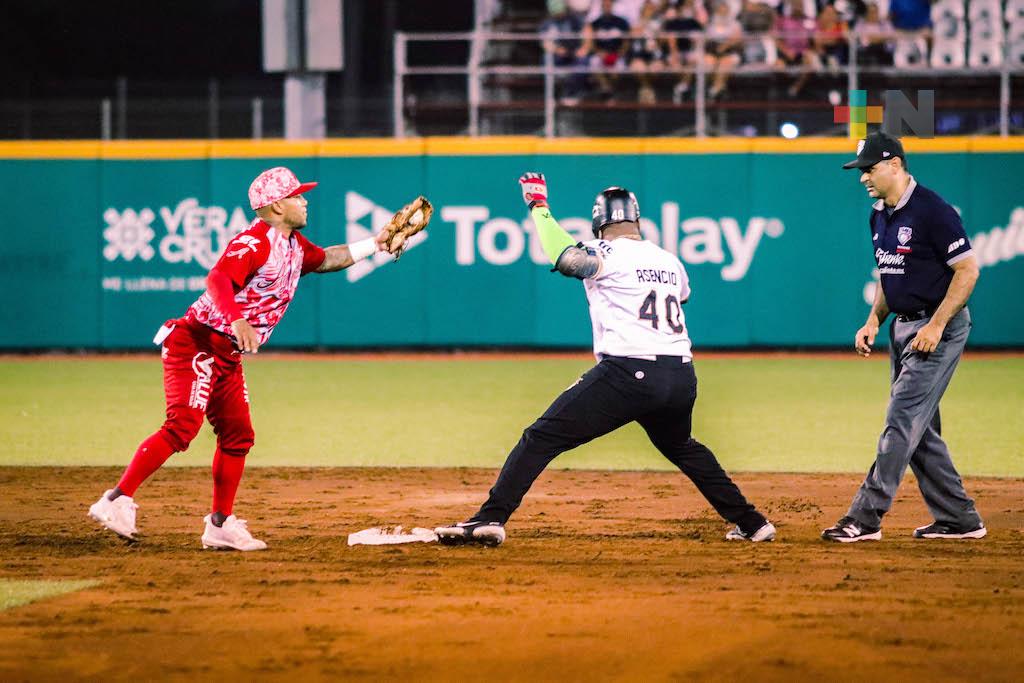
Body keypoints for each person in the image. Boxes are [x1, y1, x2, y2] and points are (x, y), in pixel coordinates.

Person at [434, 172, 777, 547]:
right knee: (682, 446)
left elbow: (568, 261)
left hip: (630, 372)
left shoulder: (607, 252)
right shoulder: (669, 259)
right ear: (637, 220)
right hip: (681, 374)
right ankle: (752, 523)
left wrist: (538, 207)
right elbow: (682, 297)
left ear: (599, 224)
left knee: (540, 437)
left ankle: (490, 518)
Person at [88, 167, 392, 551]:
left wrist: (377, 244)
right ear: (277, 205)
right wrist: (237, 318)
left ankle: (219, 524)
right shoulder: (254, 242)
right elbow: (216, 279)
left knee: (238, 436)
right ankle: (116, 500)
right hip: (196, 340)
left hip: (226, 352)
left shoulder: (293, 245)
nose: (305, 200)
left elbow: (329, 259)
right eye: (297, 196)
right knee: (182, 426)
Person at [822, 132, 986, 543]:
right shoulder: (880, 213)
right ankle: (959, 518)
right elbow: (889, 274)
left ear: (895, 164)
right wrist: (873, 320)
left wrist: (936, 326)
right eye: (860, 171)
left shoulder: (932, 210)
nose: (863, 178)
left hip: (937, 328)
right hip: (902, 328)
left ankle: (865, 517)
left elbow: (967, 271)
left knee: (900, 420)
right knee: (920, 428)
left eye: (869, 169)